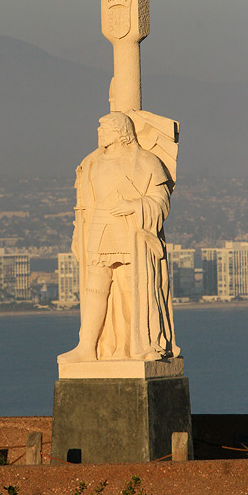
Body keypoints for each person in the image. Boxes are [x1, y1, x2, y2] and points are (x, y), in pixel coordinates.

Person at [58, 111, 180, 363]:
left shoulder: (145, 162)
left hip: (130, 230)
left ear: (121, 131)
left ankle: (137, 343)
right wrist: (77, 234)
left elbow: (161, 201)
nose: (99, 132)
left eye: (105, 128)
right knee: (95, 286)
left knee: (130, 285)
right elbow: (82, 205)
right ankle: (86, 346)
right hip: (99, 225)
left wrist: (136, 205)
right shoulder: (91, 162)